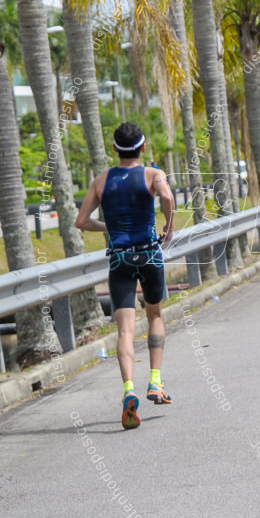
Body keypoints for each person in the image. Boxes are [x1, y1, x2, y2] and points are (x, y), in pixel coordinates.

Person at [75, 123, 175, 430]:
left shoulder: (101, 180)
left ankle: (128, 389)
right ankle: (155, 383)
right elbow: (168, 198)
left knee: (125, 331)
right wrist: (169, 227)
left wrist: (110, 229)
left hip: (119, 259)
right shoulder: (153, 174)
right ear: (143, 148)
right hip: (149, 255)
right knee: (155, 314)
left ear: (116, 149)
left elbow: (81, 221)